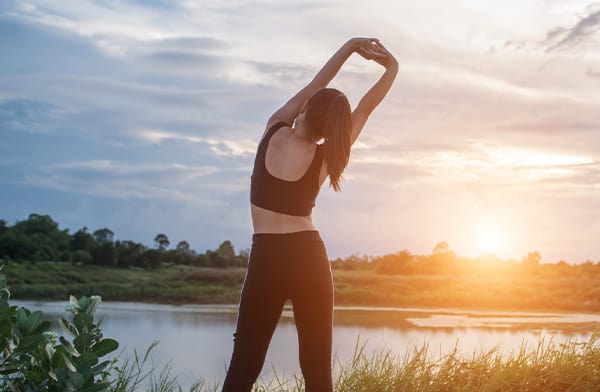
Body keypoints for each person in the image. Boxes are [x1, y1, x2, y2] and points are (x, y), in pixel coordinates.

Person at [222, 37, 398, 392]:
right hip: (308, 258)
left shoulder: (273, 129)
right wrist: (392, 68)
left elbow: (317, 84)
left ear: (304, 108)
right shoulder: (327, 158)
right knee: (317, 373)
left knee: (243, 369)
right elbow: (365, 109)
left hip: (266, 259)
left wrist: (349, 48)